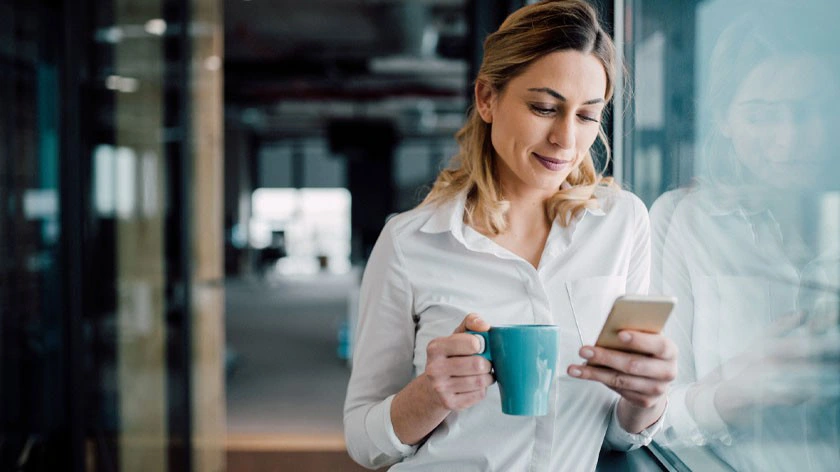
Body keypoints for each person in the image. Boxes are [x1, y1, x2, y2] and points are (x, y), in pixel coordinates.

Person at [344, 1, 677, 470]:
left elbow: (618, 434)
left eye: (587, 115)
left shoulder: (622, 223)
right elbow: (363, 441)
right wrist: (430, 395)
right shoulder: (410, 242)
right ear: (487, 99)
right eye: (544, 108)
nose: (566, 139)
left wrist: (647, 396)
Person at [650, 3, 840, 470]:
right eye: (761, 116)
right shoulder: (682, 222)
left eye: (810, 112)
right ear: (724, 119)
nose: (789, 139)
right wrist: (743, 389)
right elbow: (651, 418)